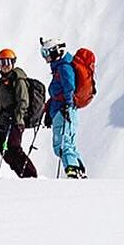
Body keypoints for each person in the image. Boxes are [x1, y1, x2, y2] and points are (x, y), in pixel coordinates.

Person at [40, 37, 86, 178]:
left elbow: (69, 87)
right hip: (62, 109)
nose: (45, 57)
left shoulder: (64, 67)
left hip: (64, 110)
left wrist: (67, 104)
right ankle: (79, 169)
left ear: (56, 51)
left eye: (47, 53)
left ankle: (72, 170)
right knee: (68, 142)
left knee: (61, 144)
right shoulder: (62, 66)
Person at [0, 48, 39, 178]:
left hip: (14, 121)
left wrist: (18, 118)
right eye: (1, 63)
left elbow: (23, 100)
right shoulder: (2, 81)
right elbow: (2, 100)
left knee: (14, 149)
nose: (5, 66)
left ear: (13, 62)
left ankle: (30, 175)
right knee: (5, 152)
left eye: (7, 62)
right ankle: (22, 174)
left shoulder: (18, 79)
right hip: (3, 120)